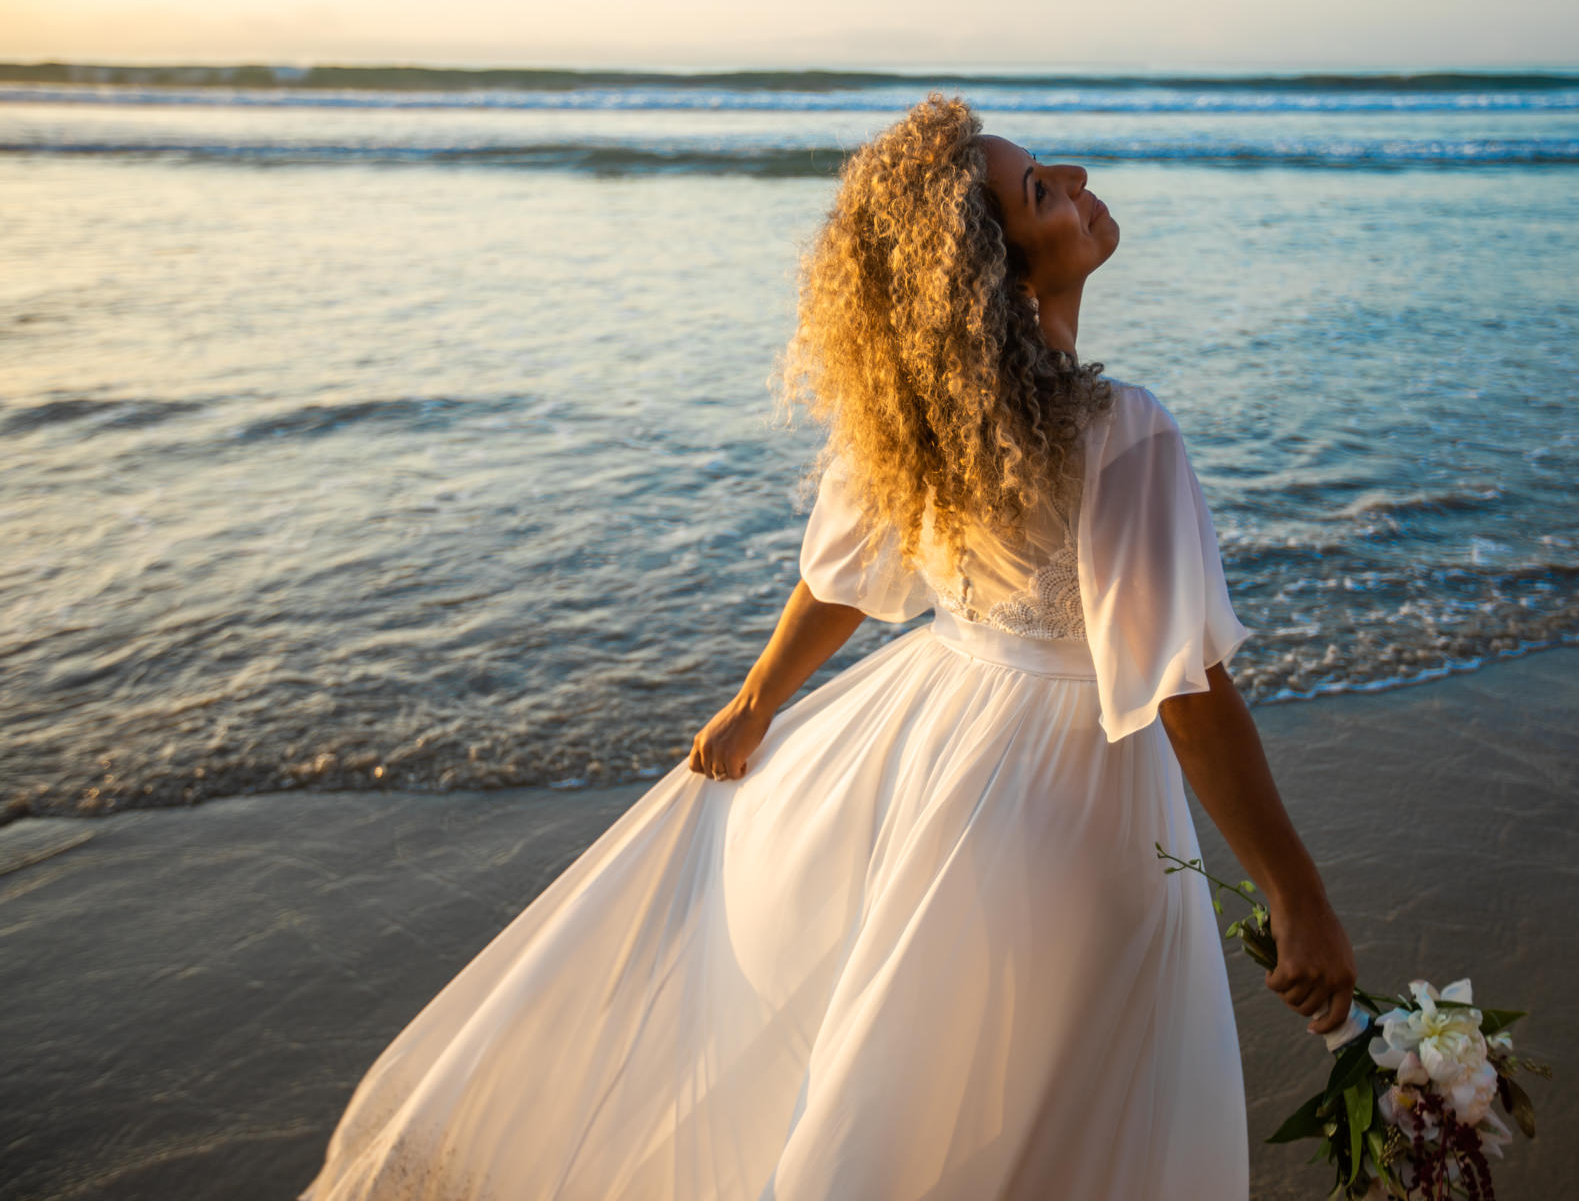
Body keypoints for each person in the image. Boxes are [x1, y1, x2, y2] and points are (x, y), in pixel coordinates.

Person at [299, 93, 1354, 1201]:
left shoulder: (925, 416)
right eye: (1042, 188)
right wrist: (1296, 891)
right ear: (993, 277)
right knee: (1057, 1092)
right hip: (1067, 789)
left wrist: (760, 700)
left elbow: (840, 581)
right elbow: (1184, 690)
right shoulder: (1123, 429)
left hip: (933, 753)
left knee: (931, 1087)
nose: (1080, 177)